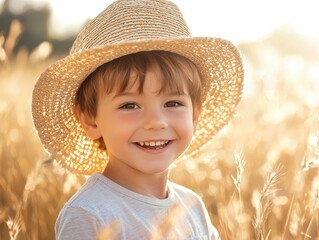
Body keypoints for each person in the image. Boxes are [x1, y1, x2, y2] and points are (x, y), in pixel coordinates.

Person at [31, 0, 244, 239]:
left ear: (195, 116)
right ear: (91, 120)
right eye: (129, 105)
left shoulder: (193, 207)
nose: (156, 121)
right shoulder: (90, 214)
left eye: (173, 103)